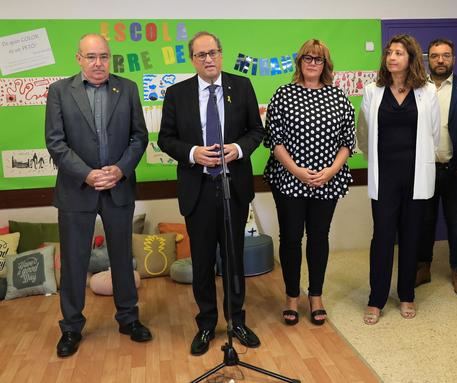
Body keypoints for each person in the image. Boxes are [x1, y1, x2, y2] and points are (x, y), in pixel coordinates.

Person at [157, 31, 265, 356]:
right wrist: (192, 153)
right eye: (201, 54)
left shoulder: (241, 86)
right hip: (198, 189)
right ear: (192, 59)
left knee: (233, 259)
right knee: (202, 263)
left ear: (221, 54)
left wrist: (237, 148)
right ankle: (206, 324)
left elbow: (257, 131)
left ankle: (237, 321)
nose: (208, 59)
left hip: (233, 188)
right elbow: (165, 139)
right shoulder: (177, 94)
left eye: (213, 52)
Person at [45, 33, 151, 358]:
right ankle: (72, 327)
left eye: (104, 56)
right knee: (75, 262)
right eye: (91, 57)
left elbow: (139, 137)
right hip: (77, 190)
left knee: (122, 257)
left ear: (110, 58)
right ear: (78, 59)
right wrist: (88, 174)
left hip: (118, 186)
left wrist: (119, 170)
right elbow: (56, 142)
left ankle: (129, 319)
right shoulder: (60, 92)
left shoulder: (127, 88)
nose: (98, 64)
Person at [263, 39, 355, 326]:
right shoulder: (284, 94)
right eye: (307, 58)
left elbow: (347, 142)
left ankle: (316, 295)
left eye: (318, 59)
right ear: (299, 62)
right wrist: (296, 170)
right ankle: (292, 295)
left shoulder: (339, 97)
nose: (313, 63)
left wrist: (330, 171)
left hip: (327, 180)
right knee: (291, 238)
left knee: (318, 237)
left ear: (326, 64)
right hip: (289, 179)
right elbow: (274, 140)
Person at [357, 34, 440, 325]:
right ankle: (376, 298)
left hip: (416, 174)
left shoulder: (427, 91)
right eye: (389, 52)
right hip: (385, 174)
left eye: (399, 53)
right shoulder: (373, 90)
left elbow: (434, 133)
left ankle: (406, 294)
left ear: (411, 58)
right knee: (382, 236)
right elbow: (365, 133)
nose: (392, 57)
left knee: (410, 236)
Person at [417, 38, 457, 295]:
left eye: (445, 55)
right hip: (425, 169)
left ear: (454, 59)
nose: (440, 60)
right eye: (435, 56)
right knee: (424, 221)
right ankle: (423, 267)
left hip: (456, 169)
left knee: (456, 221)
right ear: (427, 59)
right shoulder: (417, 88)